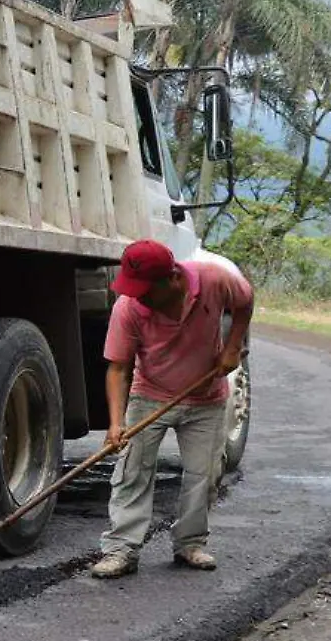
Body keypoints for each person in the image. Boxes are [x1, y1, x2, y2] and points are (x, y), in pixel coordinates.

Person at [91, 240, 254, 579]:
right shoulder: (128, 308)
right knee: (132, 472)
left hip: (205, 397)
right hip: (149, 395)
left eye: (145, 289)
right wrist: (115, 424)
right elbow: (118, 368)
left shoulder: (213, 279)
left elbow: (245, 299)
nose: (138, 296)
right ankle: (121, 550)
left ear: (172, 279)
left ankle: (190, 544)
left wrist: (234, 345)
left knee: (204, 475)